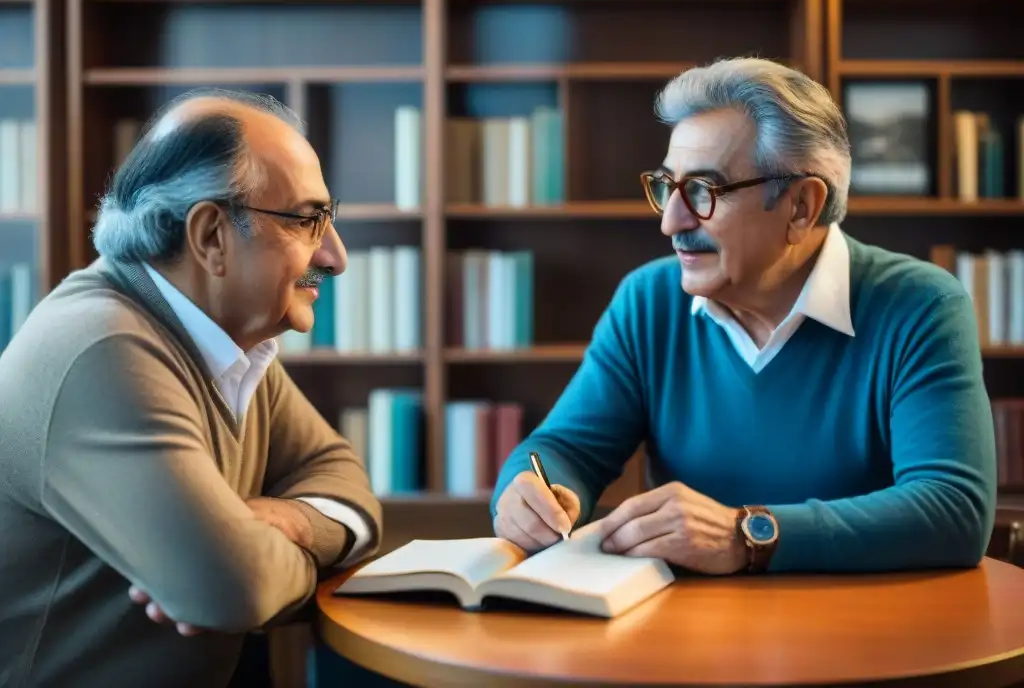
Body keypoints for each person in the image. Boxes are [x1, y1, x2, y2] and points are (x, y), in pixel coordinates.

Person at [491, 57, 996, 575]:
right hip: (683, 636)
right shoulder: (648, 300)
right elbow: (565, 447)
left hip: (866, 636)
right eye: (668, 186)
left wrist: (747, 534)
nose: (671, 221)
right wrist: (532, 491)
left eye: (704, 192)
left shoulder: (921, 307)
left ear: (801, 206)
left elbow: (953, 509)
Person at [0, 89, 382, 687]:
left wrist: (291, 524)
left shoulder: (234, 343)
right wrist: (256, 563)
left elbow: (343, 479)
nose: (334, 257)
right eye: (308, 220)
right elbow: (231, 590)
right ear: (210, 236)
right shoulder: (104, 349)